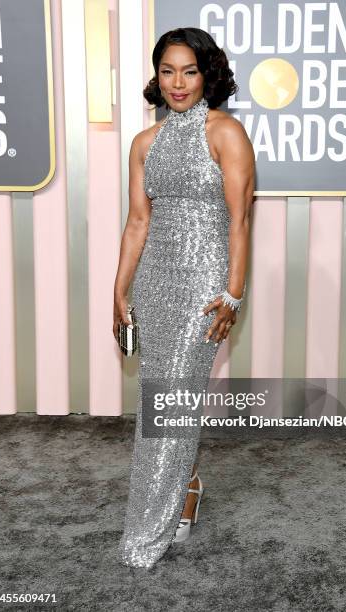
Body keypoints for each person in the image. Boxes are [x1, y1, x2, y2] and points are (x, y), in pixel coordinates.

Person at [113, 27, 255, 568]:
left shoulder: (226, 133)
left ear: (206, 75)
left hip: (204, 286)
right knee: (163, 400)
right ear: (157, 77)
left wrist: (232, 294)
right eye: (168, 71)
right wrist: (120, 290)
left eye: (189, 71)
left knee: (165, 409)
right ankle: (187, 486)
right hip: (155, 283)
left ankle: (144, 536)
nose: (178, 83)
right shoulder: (144, 144)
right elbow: (136, 222)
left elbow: (239, 220)